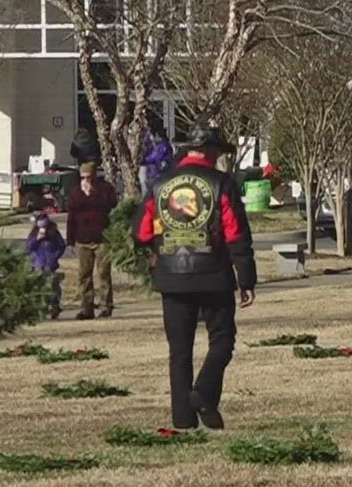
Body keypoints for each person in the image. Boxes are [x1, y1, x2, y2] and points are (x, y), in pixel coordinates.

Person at [134, 128, 257, 430]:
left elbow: (141, 232)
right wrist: (247, 279)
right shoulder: (221, 184)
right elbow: (236, 235)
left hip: (172, 278)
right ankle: (203, 392)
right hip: (214, 275)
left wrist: (161, 256)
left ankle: (183, 420)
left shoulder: (160, 184)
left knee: (179, 351)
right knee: (222, 340)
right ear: (210, 151)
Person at [65, 161, 117, 320]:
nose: (85, 181)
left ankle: (106, 306)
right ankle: (86, 308)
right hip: (82, 239)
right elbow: (71, 217)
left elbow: (110, 207)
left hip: (102, 239)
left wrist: (93, 193)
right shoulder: (76, 193)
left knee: (103, 274)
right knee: (84, 275)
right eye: (83, 178)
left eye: (88, 178)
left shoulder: (105, 189)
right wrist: (70, 239)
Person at [26, 211, 66, 319]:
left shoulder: (54, 232)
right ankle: (40, 308)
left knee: (53, 286)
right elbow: (29, 248)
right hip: (38, 263)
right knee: (39, 287)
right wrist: (37, 239)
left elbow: (61, 246)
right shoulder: (34, 232)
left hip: (50, 263)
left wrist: (55, 256)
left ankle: (54, 306)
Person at [139, 128, 172, 196]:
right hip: (159, 172)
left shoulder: (162, 146)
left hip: (159, 173)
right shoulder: (162, 145)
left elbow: (154, 157)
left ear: (158, 136)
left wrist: (144, 160)